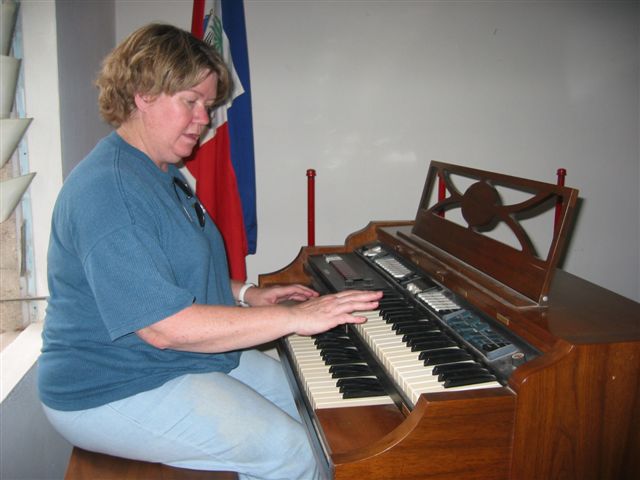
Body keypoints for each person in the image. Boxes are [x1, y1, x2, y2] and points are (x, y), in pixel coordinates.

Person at [38, 23, 381, 480]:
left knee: (315, 404)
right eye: (191, 102)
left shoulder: (162, 172)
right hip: (110, 385)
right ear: (143, 93)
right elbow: (165, 327)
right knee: (293, 454)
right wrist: (299, 318)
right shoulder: (111, 190)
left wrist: (246, 294)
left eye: (208, 104)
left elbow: (169, 274)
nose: (205, 119)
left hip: (171, 360)